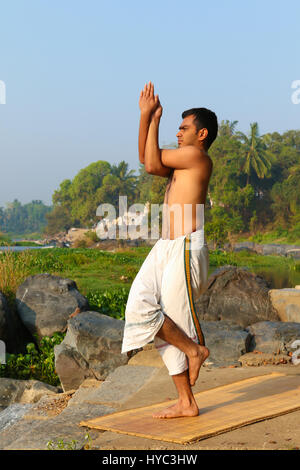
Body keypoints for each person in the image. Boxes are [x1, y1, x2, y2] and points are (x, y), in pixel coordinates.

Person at [121, 81, 218, 418]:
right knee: (140, 304)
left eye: (184, 128)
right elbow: (145, 158)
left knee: (175, 318)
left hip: (186, 246)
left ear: (201, 134)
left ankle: (187, 400)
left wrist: (151, 115)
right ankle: (193, 351)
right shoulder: (181, 161)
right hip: (165, 246)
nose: (179, 133)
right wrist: (146, 118)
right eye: (177, 128)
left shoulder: (196, 157)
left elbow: (149, 164)